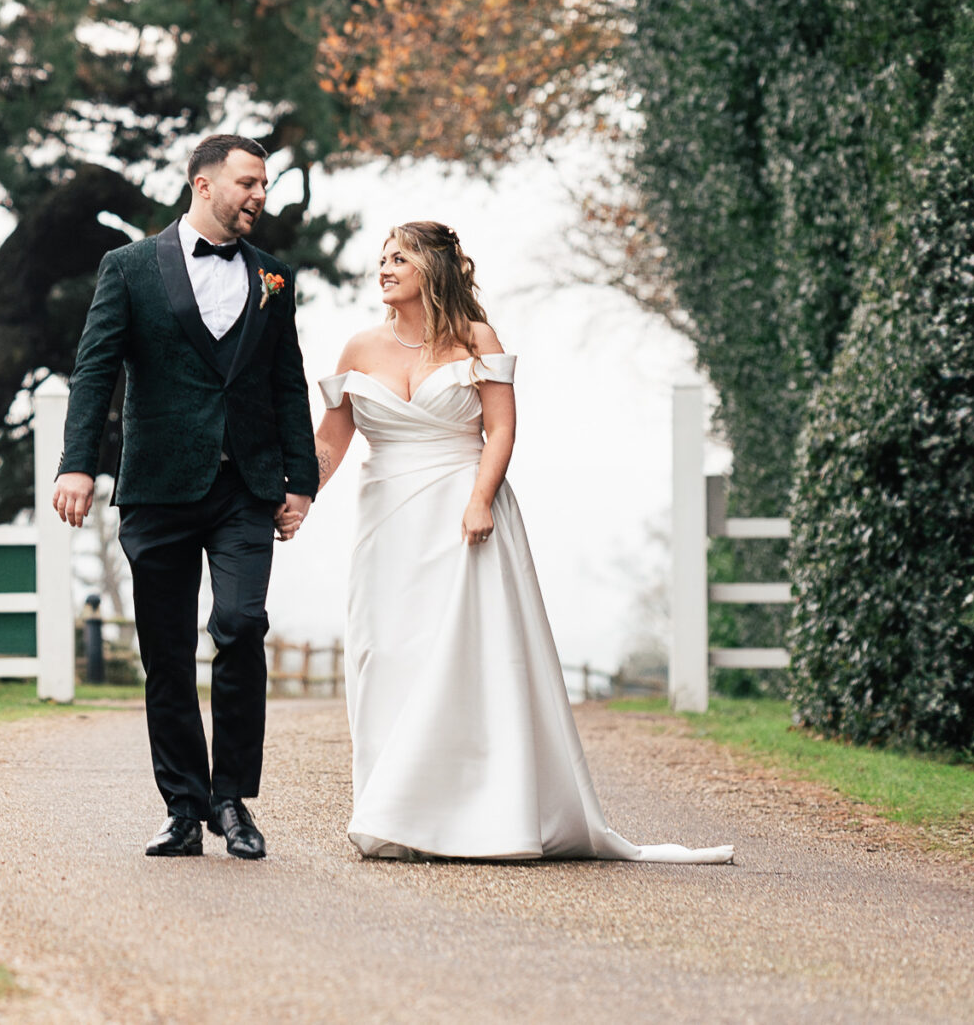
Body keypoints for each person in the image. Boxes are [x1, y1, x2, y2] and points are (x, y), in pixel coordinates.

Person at [312, 221, 732, 863]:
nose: (385, 268)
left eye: (400, 258)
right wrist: (296, 493)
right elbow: (331, 440)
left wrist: (480, 499)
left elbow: (501, 430)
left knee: (466, 654)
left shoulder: (475, 338)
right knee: (388, 653)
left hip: (463, 509)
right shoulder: (359, 348)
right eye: (383, 259)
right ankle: (395, 812)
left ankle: (483, 811)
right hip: (386, 521)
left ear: (433, 268)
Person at [51, 134, 318, 860]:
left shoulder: (274, 278)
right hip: (159, 489)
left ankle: (232, 799)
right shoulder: (130, 267)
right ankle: (182, 804)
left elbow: (287, 382)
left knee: (240, 622)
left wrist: (302, 482)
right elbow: (95, 370)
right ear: (203, 184)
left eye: (264, 183)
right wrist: (76, 465)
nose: (261, 195)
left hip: (245, 489)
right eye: (249, 182)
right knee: (166, 654)